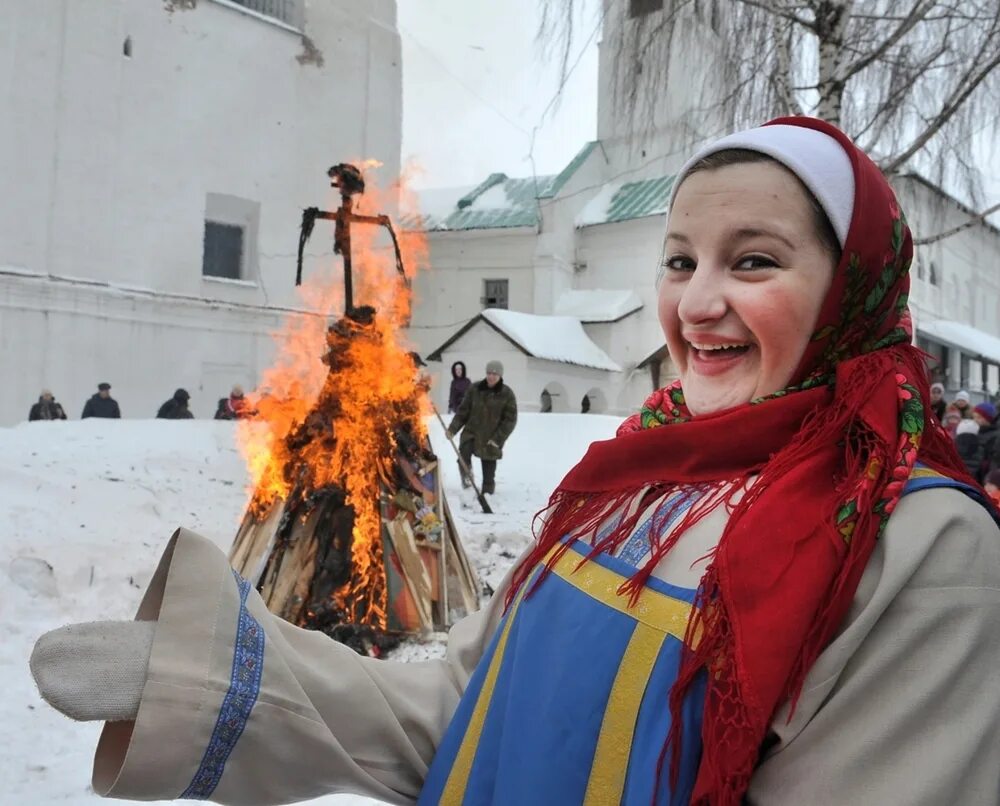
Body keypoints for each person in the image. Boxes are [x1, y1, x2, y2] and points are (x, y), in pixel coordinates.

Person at [29, 119, 1000, 805]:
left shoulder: (915, 544)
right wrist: (215, 676)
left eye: (752, 260)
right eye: (677, 259)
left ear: (852, 286)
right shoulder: (630, 489)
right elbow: (464, 709)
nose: (698, 302)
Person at [446, 359, 517, 495]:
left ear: (500, 376)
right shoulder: (475, 389)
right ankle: (468, 485)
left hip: (491, 437)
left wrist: (497, 439)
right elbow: (463, 411)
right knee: (463, 456)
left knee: (489, 469)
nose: (491, 377)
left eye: (494, 374)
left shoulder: (507, 394)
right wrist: (452, 430)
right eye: (489, 373)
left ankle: (487, 493)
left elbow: (510, 420)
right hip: (471, 433)